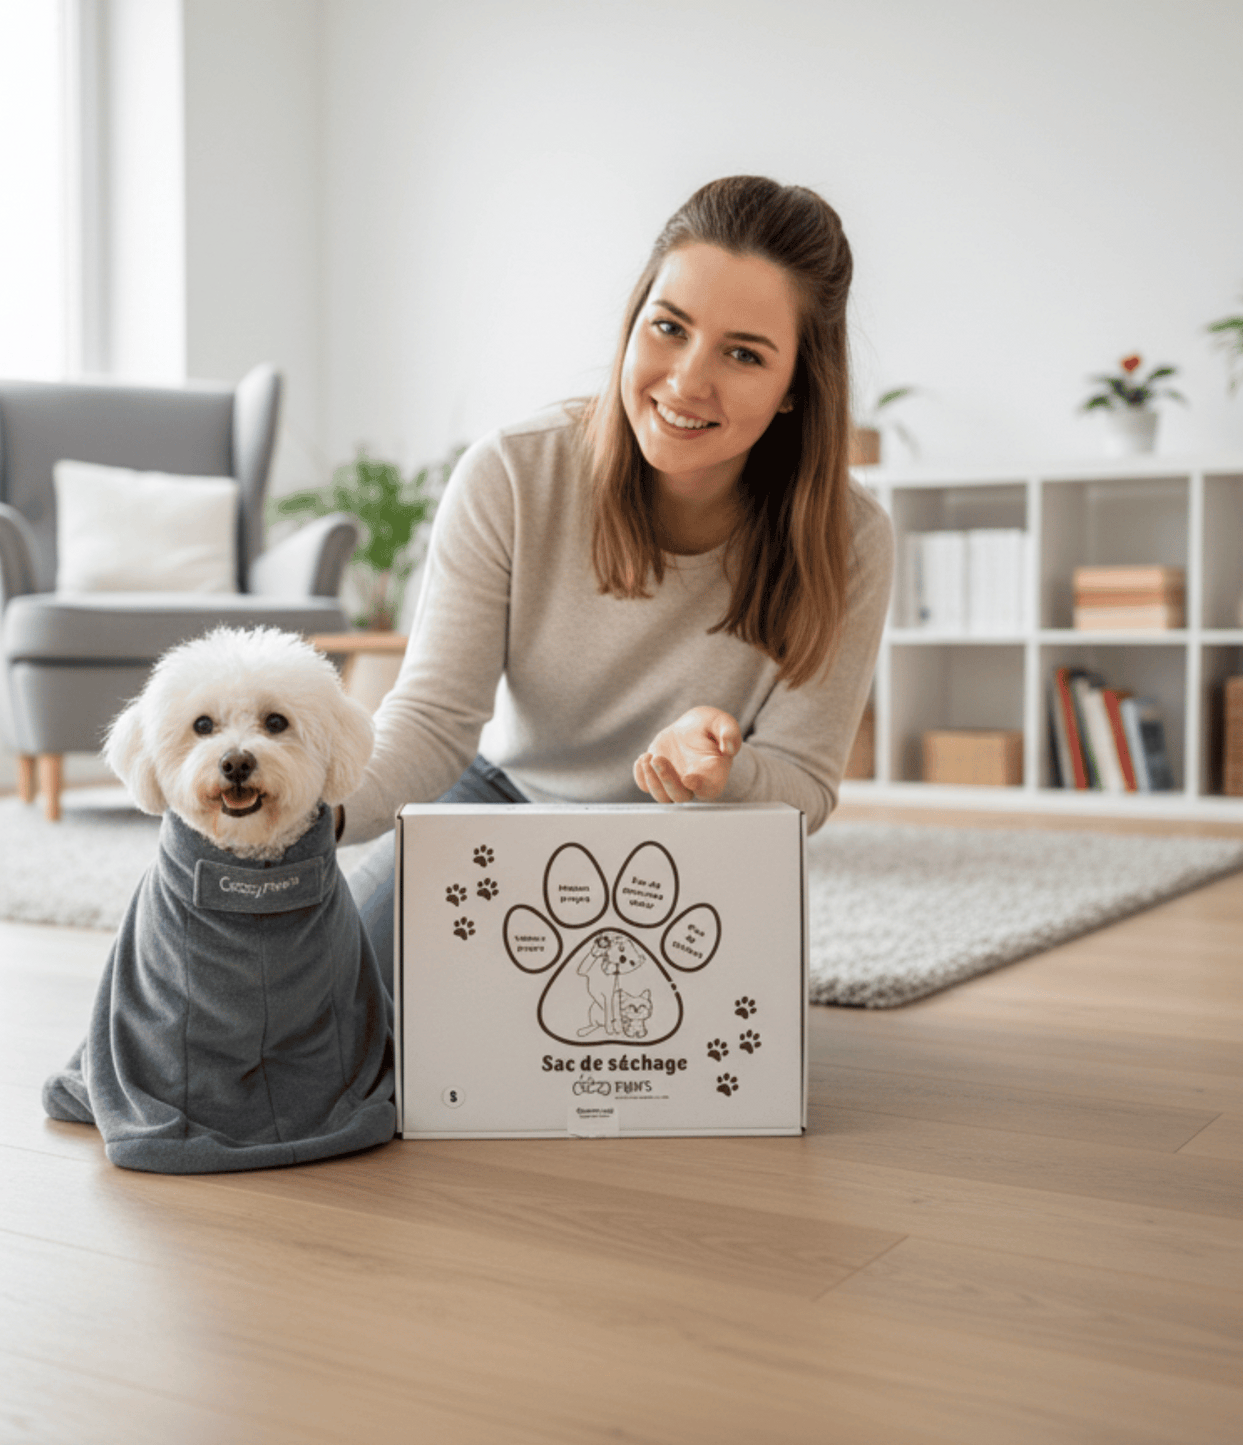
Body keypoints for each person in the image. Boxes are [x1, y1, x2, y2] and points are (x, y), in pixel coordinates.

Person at [339, 175, 893, 966]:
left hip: (697, 842)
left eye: (743, 353)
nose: (686, 380)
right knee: (322, 1007)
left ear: (795, 390)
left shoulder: (851, 536)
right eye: (669, 327)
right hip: (505, 798)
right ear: (633, 323)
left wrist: (721, 775)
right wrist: (313, 811)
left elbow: (804, 785)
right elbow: (432, 719)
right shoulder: (510, 474)